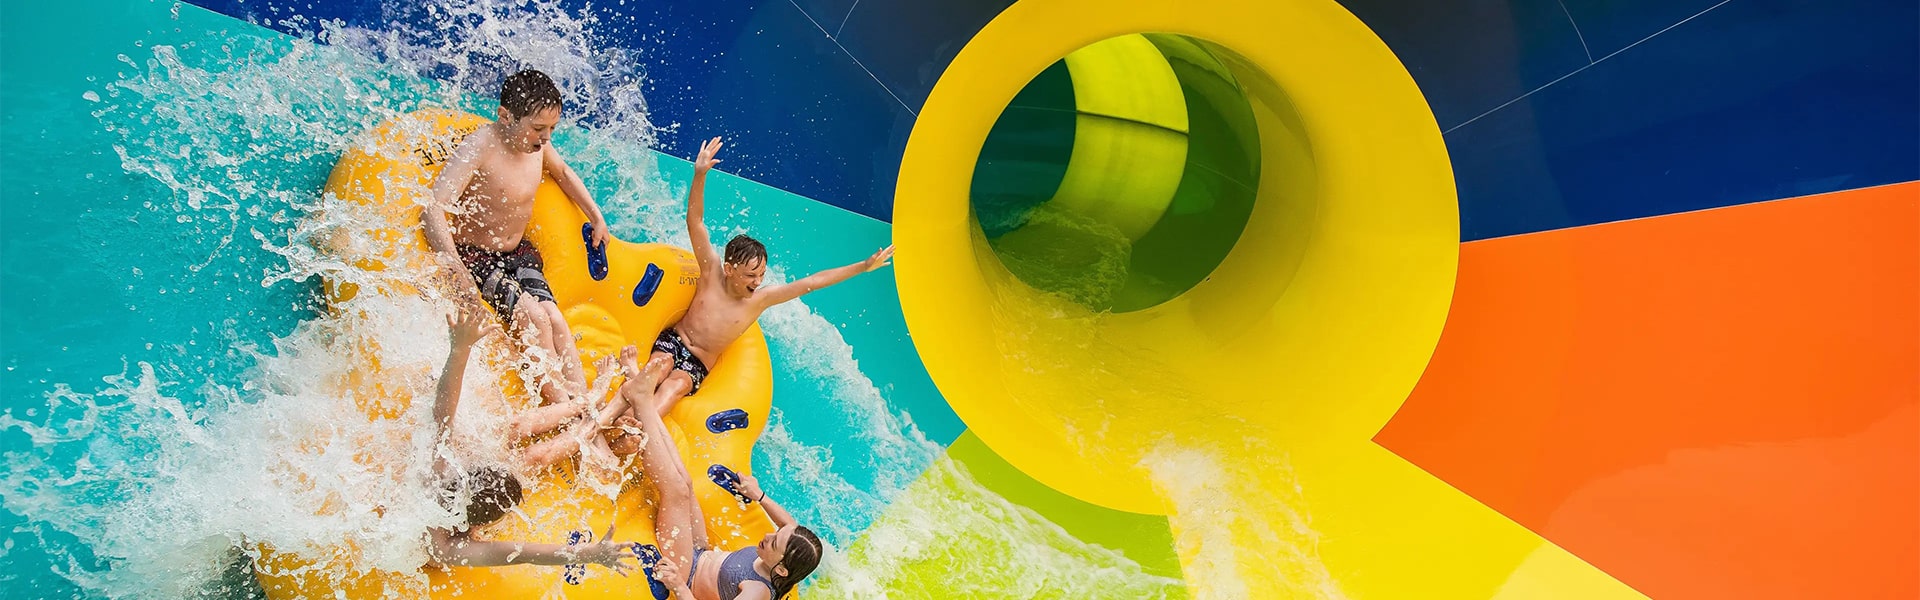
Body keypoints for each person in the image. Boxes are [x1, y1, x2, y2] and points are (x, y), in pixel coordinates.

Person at [611, 136, 894, 422]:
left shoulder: (760, 299)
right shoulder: (710, 272)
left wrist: (864, 266)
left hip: (697, 364)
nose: (757, 282)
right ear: (730, 268)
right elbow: (694, 221)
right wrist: (700, 174)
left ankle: (638, 425)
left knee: (676, 386)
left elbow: (814, 281)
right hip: (675, 340)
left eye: (761, 275)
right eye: (750, 275)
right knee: (659, 365)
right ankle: (619, 410)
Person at [422, 68, 609, 411]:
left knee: (554, 318)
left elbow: (564, 173)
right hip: (476, 255)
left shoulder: (537, 146)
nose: (545, 138)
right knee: (534, 318)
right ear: (505, 116)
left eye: (552, 128)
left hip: (519, 253)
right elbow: (433, 209)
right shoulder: (481, 146)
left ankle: (586, 410)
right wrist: (456, 269)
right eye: (538, 128)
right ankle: (563, 413)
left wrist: (596, 216)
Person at [421, 307, 637, 572]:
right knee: (532, 457)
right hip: (447, 524)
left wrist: (460, 349)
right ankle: (606, 411)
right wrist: (589, 554)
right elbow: (522, 553)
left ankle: (588, 402)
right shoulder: (447, 548)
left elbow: (443, 413)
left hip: (461, 495)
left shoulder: (440, 470)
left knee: (505, 429)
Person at [610, 345, 823, 599]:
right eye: (775, 534)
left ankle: (641, 397)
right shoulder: (779, 555)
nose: (768, 535)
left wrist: (678, 585)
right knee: (686, 483)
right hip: (700, 549)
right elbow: (790, 524)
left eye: (774, 542)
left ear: (782, 570)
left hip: (686, 570)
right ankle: (642, 397)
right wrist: (759, 495)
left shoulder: (758, 591)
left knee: (676, 491)